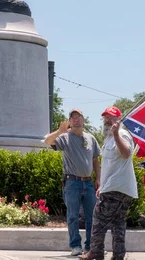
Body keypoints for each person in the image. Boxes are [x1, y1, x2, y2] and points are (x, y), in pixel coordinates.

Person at [79, 106, 138, 260]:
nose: (106, 119)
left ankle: (96, 251)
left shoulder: (122, 134)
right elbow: (110, 167)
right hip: (116, 188)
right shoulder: (109, 139)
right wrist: (103, 187)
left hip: (117, 188)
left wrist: (117, 134)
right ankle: (118, 256)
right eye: (105, 117)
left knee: (98, 219)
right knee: (118, 224)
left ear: (118, 119)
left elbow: (126, 154)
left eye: (110, 117)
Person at [44, 108, 101, 257]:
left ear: (83, 120)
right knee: (72, 216)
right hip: (72, 183)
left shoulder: (91, 138)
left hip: (88, 183)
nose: (76, 120)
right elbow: (47, 141)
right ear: (70, 121)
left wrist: (98, 179)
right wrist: (58, 132)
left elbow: (95, 160)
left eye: (79, 117)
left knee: (91, 217)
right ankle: (75, 246)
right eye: (73, 118)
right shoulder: (64, 137)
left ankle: (90, 247)